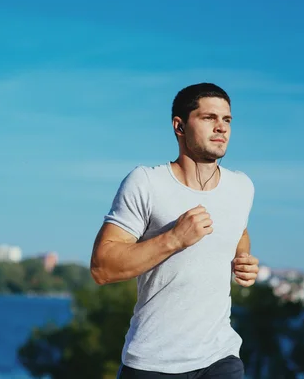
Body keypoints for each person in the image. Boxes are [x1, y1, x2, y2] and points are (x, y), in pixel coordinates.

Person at [90, 83, 260, 378]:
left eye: (227, 120)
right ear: (179, 126)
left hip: (220, 357)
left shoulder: (242, 187)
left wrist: (242, 258)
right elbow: (103, 267)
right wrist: (174, 239)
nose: (221, 127)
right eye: (209, 118)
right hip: (154, 362)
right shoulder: (146, 183)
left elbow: (238, 230)